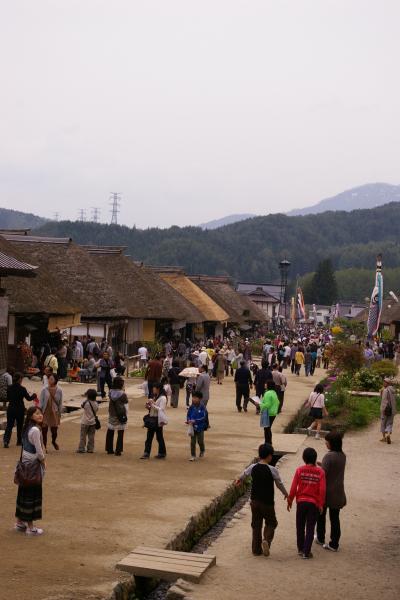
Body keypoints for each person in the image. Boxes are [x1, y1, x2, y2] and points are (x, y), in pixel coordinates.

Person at [235, 443, 288, 557]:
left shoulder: (253, 467)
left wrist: (239, 480)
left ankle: (256, 550)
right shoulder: (272, 469)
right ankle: (266, 540)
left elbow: (244, 474)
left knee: (256, 524)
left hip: (254, 501)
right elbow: (279, 483)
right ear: (269, 456)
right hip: (267, 502)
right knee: (271, 522)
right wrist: (285, 493)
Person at [287, 447, 326, 559]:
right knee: (310, 527)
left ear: (304, 458)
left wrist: (290, 500)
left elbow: (294, 487)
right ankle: (306, 552)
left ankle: (300, 548)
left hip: (301, 502)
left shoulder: (299, 470)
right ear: (315, 459)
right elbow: (322, 490)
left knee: (300, 525)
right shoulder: (320, 472)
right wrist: (321, 504)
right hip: (313, 504)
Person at [15, 406, 46, 536]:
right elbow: (39, 452)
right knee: (32, 496)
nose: (40, 415)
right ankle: (30, 527)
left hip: (25, 466)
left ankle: (20, 522)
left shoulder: (27, 427)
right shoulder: (35, 430)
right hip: (33, 466)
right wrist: (44, 461)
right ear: (31, 416)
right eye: (37, 413)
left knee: (23, 494)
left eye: (40, 413)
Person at [316, 432, 346, 552]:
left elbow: (323, 474)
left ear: (331, 443)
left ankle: (320, 537)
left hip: (326, 492)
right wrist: (322, 465)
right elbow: (333, 469)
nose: (326, 443)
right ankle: (334, 543)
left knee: (321, 515)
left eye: (327, 442)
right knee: (335, 518)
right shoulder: (342, 456)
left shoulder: (329, 456)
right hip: (338, 491)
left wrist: (317, 467)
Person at [4, 373, 37, 448]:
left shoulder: (9, 388)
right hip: (20, 409)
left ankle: (6, 441)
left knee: (9, 425)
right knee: (20, 426)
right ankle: (19, 441)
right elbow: (28, 398)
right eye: (21, 379)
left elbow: (8, 398)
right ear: (19, 379)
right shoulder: (22, 389)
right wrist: (34, 396)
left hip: (11, 408)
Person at [141, 382, 168, 459]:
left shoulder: (163, 398)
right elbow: (153, 408)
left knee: (158, 437)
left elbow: (161, 409)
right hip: (153, 418)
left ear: (158, 389)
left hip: (157, 419)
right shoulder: (156, 396)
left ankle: (161, 453)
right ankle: (148, 453)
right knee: (151, 437)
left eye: (154, 388)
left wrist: (152, 404)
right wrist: (148, 406)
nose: (153, 389)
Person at [106, 377, 128, 456]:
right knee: (120, 432)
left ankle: (109, 449)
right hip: (120, 413)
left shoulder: (110, 392)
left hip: (112, 413)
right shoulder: (123, 394)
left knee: (110, 431)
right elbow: (126, 401)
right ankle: (118, 450)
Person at [40, 374, 63, 450]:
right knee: (44, 430)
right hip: (45, 411)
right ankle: (44, 446)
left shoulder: (59, 390)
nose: (49, 380)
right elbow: (41, 401)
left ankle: (53, 441)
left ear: (56, 380)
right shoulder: (44, 389)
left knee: (54, 431)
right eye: (49, 379)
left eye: (51, 379)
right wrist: (40, 411)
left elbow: (60, 402)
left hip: (55, 412)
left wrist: (60, 412)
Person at [186, 391, 207, 461]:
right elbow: (188, 415)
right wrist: (188, 420)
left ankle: (202, 450)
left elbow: (204, 417)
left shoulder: (202, 407)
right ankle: (193, 455)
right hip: (192, 427)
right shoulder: (191, 407)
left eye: (195, 398)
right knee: (192, 442)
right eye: (193, 398)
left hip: (200, 427)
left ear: (200, 399)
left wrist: (196, 421)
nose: (194, 399)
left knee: (200, 441)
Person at [77, 389, 99, 453]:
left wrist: (86, 400)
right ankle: (90, 449)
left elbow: (82, 406)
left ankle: (81, 448)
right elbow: (96, 410)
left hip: (85, 422)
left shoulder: (86, 403)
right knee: (91, 436)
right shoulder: (96, 404)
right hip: (92, 422)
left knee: (83, 436)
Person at [380, 378, 397, 444]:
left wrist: (383, 409)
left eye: (385, 382)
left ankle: (384, 437)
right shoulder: (393, 390)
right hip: (392, 410)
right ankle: (388, 434)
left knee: (383, 423)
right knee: (390, 423)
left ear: (388, 383)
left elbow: (384, 401)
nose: (383, 383)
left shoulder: (385, 390)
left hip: (385, 410)